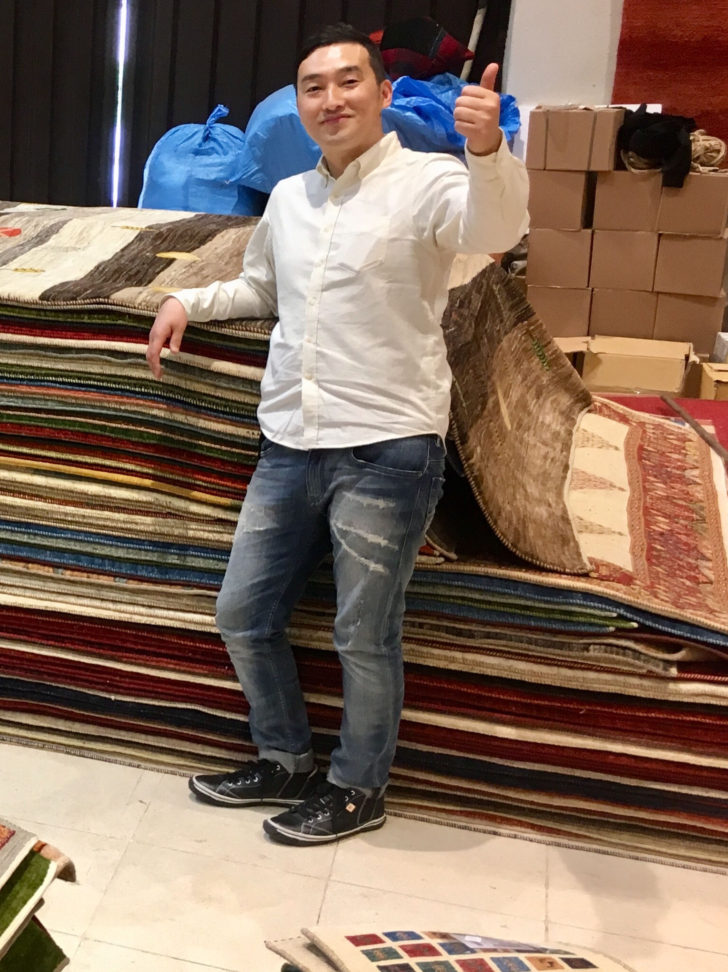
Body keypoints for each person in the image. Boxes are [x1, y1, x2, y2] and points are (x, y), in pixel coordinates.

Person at [146, 24, 527, 845]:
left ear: (383, 93)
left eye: (348, 81)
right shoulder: (290, 198)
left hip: (388, 446)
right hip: (290, 440)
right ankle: (284, 758)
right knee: (242, 613)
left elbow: (495, 229)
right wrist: (186, 301)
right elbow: (260, 286)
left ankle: (358, 788)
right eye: (313, 87)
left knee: (363, 633)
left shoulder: (429, 181)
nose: (330, 99)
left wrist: (488, 148)